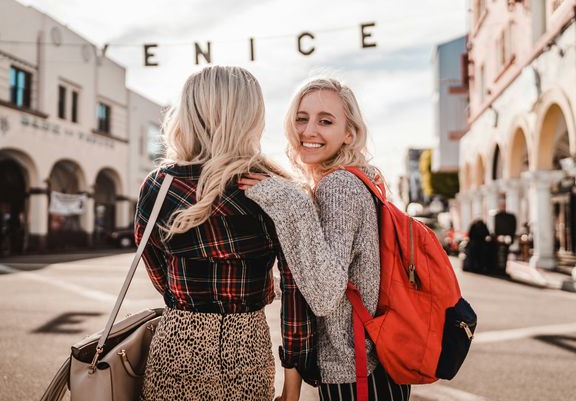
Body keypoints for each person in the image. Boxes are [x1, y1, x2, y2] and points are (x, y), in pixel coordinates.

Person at [134, 66, 319, 401]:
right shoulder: (270, 189)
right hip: (247, 347)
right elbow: (295, 293)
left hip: (177, 345)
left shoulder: (160, 186)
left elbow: (154, 265)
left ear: (189, 113)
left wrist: (186, 299)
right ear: (250, 116)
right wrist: (292, 387)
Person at [238, 78, 411, 401]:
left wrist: (289, 202)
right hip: (375, 365)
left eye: (325, 121)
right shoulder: (361, 179)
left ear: (349, 133)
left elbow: (325, 294)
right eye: (301, 118)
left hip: (357, 370)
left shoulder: (340, 187)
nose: (309, 130)